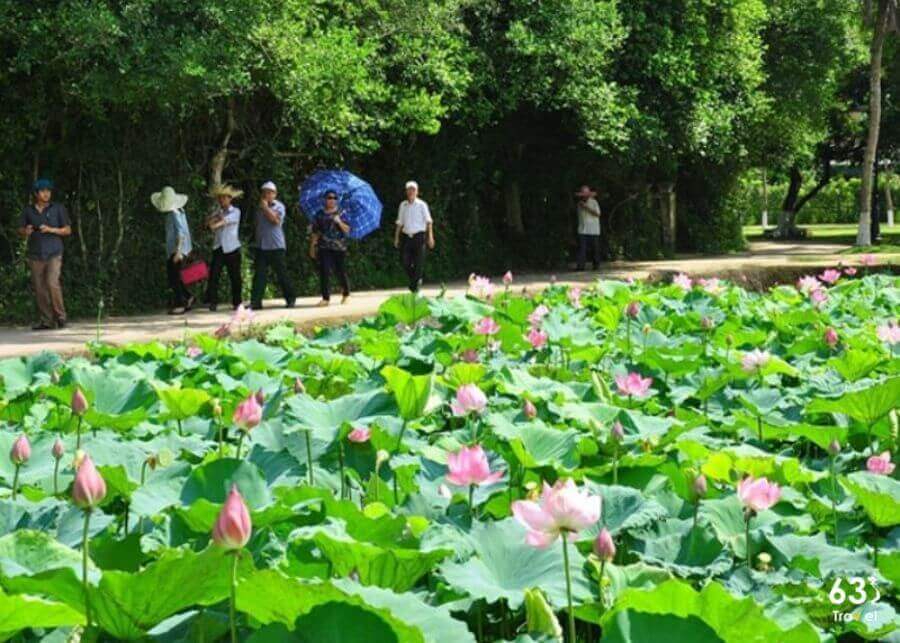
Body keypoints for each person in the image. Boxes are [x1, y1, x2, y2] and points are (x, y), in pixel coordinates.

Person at [18, 179, 71, 330]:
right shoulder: (28, 211)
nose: (46, 194)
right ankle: (47, 321)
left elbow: (67, 230)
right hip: (35, 254)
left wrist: (51, 229)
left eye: (48, 191)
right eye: (42, 191)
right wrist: (25, 231)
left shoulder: (58, 208)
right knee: (39, 287)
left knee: (52, 283)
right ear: (36, 193)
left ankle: (61, 317)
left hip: (54, 252)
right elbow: (20, 230)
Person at [251, 181, 294, 310]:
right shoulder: (258, 208)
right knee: (259, 275)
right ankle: (256, 302)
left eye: (270, 192)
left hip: (276, 246)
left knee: (281, 273)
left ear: (275, 194)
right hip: (261, 245)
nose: (267, 195)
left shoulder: (279, 206)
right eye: (265, 192)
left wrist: (265, 208)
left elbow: (275, 221)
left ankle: (290, 298)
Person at [152, 186, 195, 315]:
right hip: (175, 250)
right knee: (174, 277)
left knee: (174, 278)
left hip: (177, 250)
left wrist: (178, 252)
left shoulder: (175, 213)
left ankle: (180, 304)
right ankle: (188, 297)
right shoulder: (177, 212)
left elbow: (181, 233)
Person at [205, 184, 244, 311]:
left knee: (235, 277)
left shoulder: (236, 211)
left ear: (230, 198)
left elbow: (224, 222)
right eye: (219, 198)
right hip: (219, 248)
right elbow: (208, 224)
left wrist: (215, 222)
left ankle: (237, 302)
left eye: (223, 198)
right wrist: (212, 219)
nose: (221, 200)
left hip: (232, 248)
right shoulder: (218, 212)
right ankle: (213, 302)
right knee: (214, 275)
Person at [309, 190, 351, 306]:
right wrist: (312, 246)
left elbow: (347, 230)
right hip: (324, 247)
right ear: (325, 199)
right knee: (324, 271)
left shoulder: (342, 213)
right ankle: (325, 298)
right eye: (329, 197)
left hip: (339, 247)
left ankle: (346, 294)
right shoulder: (319, 214)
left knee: (340, 271)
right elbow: (315, 232)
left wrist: (339, 222)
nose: (332, 200)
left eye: (334, 198)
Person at [394, 180, 435, 292]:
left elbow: (429, 222)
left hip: (419, 236)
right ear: (406, 191)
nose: (411, 192)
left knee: (418, 263)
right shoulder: (403, 205)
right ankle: (416, 280)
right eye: (409, 189)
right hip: (407, 237)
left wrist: (430, 237)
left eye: (413, 189)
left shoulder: (422, 205)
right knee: (404, 261)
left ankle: (414, 286)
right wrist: (396, 238)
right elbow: (399, 222)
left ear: (417, 191)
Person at [575, 185, 601, 271]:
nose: (584, 196)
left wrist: (586, 207)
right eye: (583, 194)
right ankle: (580, 266)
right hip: (582, 229)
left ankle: (596, 266)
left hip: (594, 229)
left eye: (586, 194)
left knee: (595, 249)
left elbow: (598, 214)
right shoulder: (579, 203)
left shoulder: (594, 202)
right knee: (581, 249)